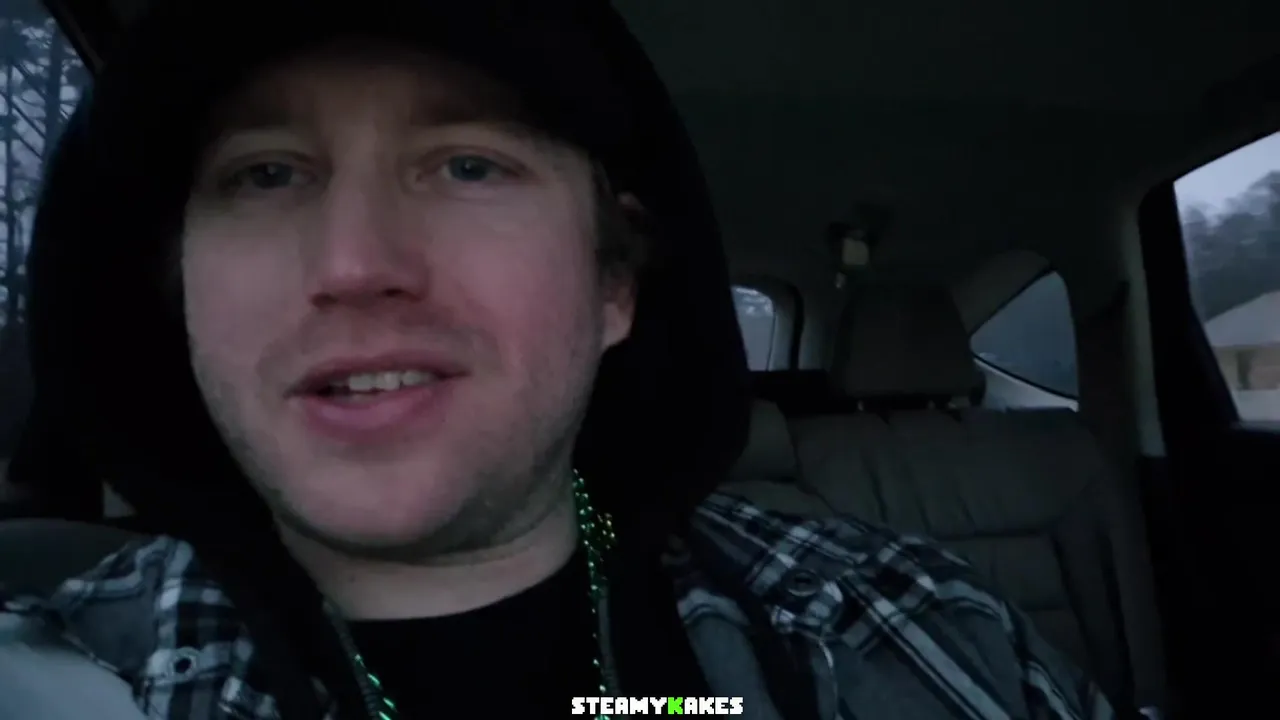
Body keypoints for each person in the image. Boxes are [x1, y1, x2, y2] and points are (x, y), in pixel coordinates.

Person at [0, 1, 1125, 718]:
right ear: (178, 292)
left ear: (613, 287)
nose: (352, 264)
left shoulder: (903, 624)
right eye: (266, 174)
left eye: (468, 166)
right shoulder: (58, 677)